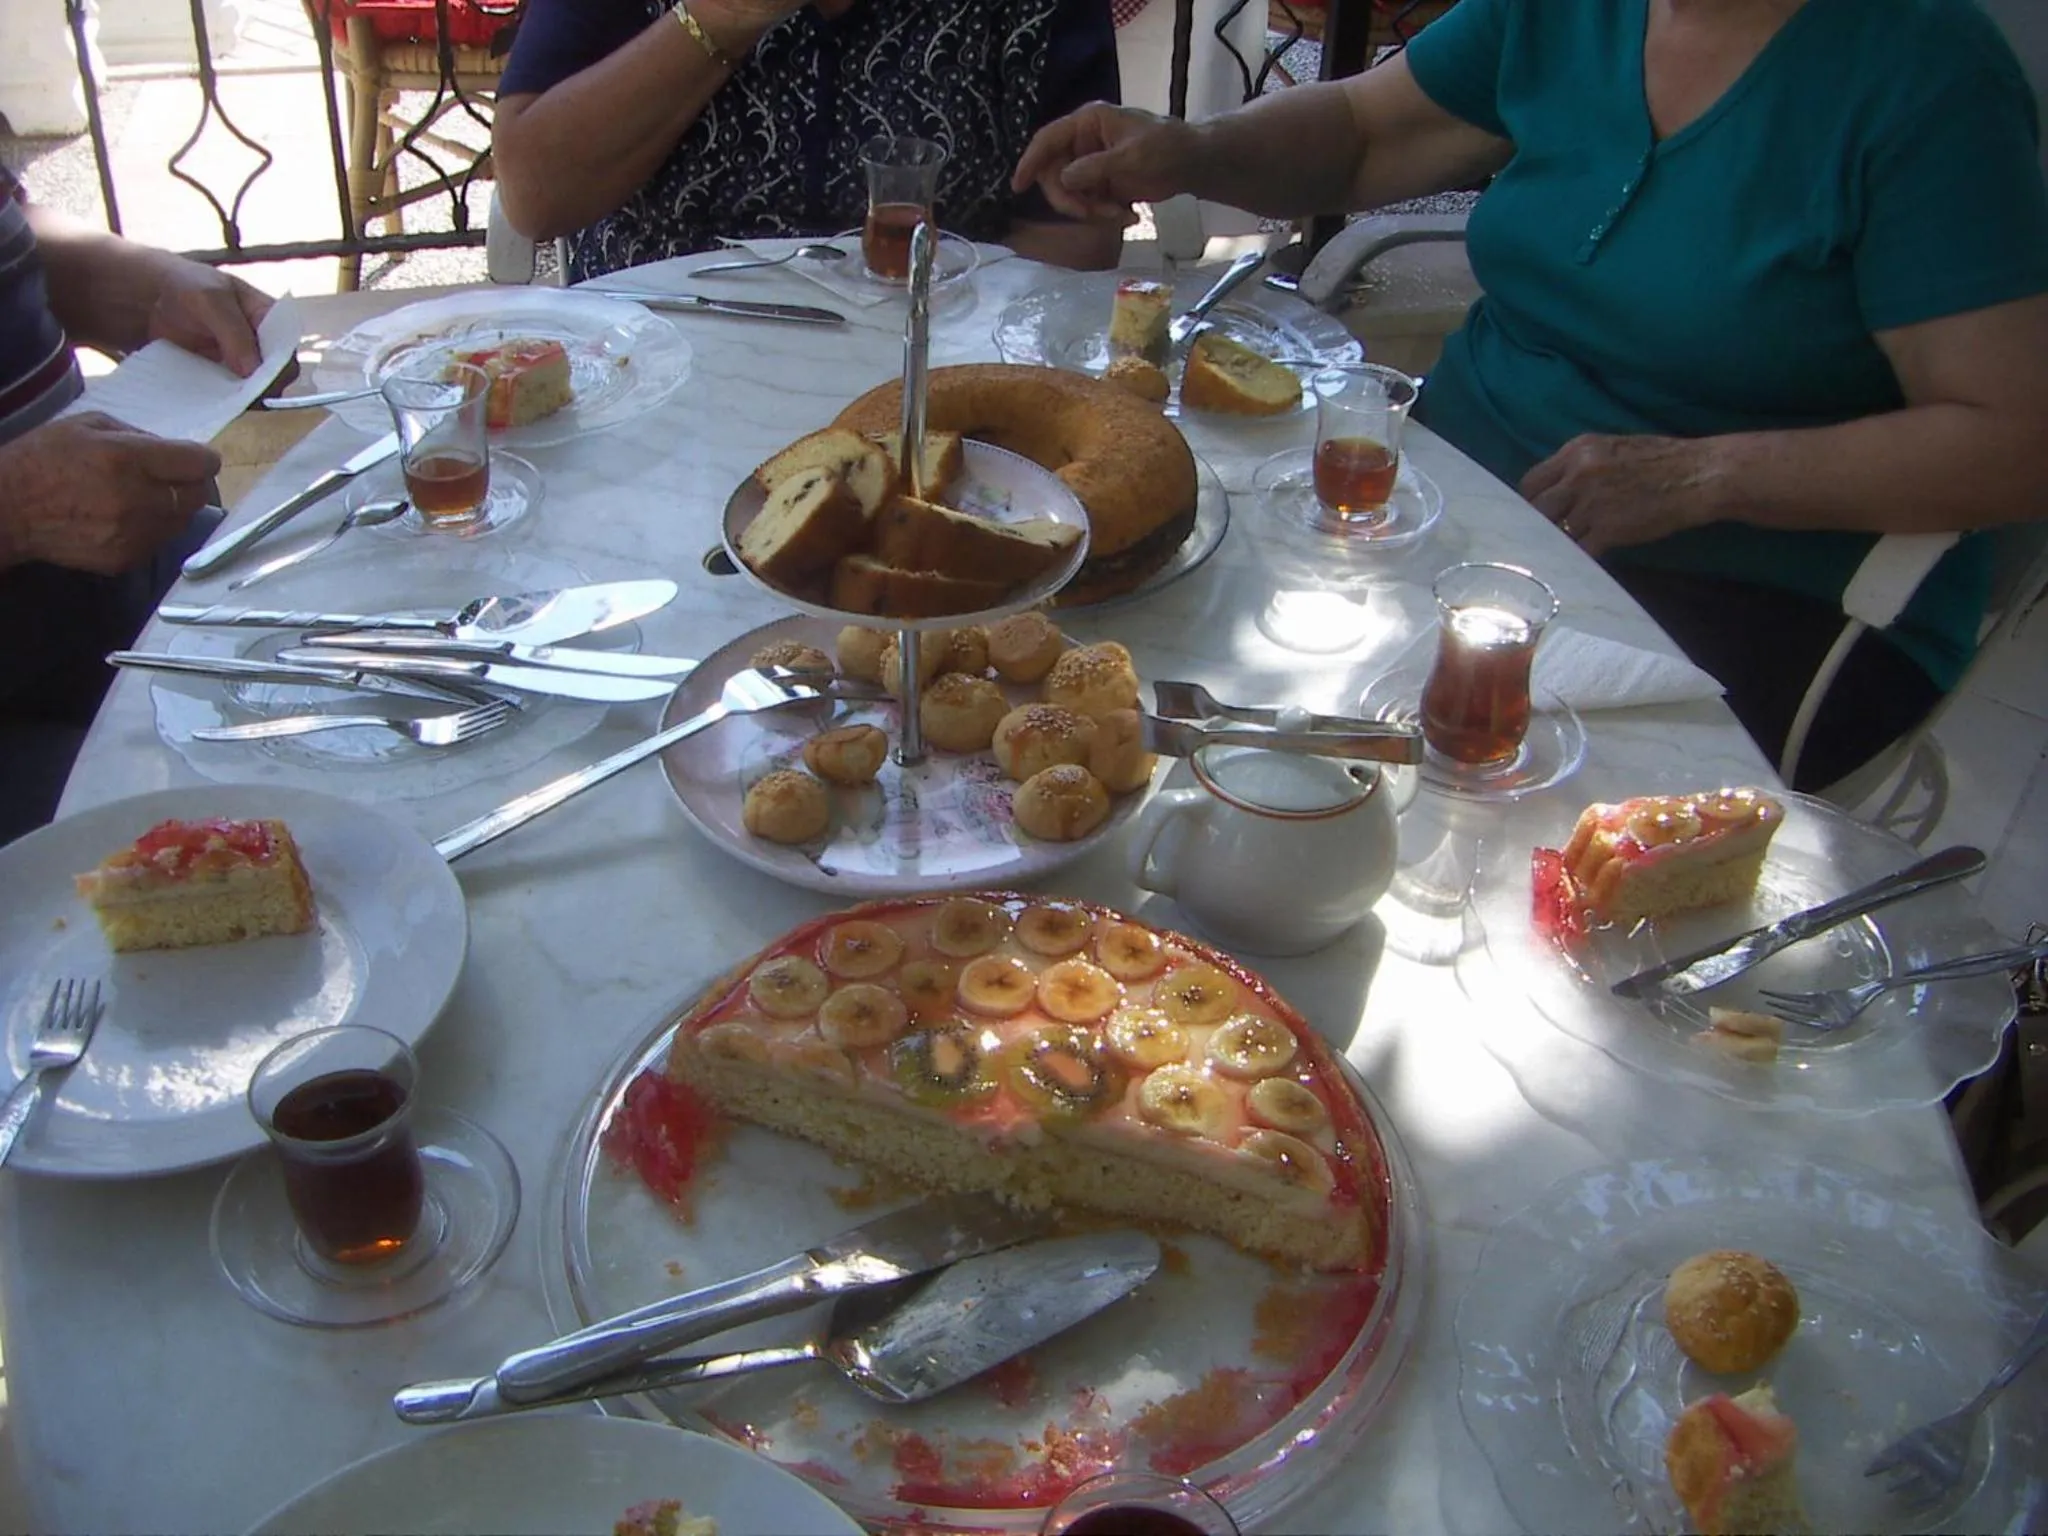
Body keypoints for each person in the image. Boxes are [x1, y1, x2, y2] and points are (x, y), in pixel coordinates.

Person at [1013, 0, 2048, 789]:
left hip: (1746, 589)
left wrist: (1708, 476)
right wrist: (1193, 152)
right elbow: (1366, 130)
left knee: (1406, 817)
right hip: (1457, 500)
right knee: (1153, 679)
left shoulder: (1923, 78)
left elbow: (2016, 440)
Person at [0, 164, 277, 844]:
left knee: (396, 648)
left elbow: (14, 237)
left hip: (115, 570)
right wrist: (16, 508)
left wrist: (148, 286)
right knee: (265, 835)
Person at [492, 0, 1125, 282]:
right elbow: (534, 197)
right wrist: (717, 21)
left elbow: (1074, 234)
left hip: (930, 365)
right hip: (660, 365)